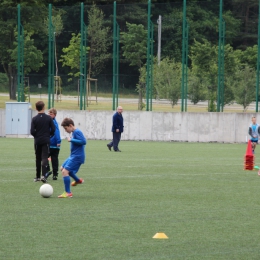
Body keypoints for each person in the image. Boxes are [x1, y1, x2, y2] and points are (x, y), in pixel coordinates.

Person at [58, 118, 87, 198]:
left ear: (70, 125)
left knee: (65, 172)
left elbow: (84, 141)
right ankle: (78, 180)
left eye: (66, 128)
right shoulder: (74, 132)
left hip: (77, 157)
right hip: (73, 156)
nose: (65, 130)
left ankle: (68, 192)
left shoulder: (77, 132)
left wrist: (72, 140)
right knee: (62, 168)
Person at [30, 101, 55, 182]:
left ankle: (37, 177)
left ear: (36, 108)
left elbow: (32, 131)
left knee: (38, 157)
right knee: (45, 157)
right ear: (44, 107)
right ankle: (43, 176)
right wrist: (49, 135)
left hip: (37, 140)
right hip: (46, 140)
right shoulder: (49, 118)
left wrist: (36, 136)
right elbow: (53, 129)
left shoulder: (34, 119)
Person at [45, 108, 61, 181]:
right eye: (49, 114)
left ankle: (50, 171)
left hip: (53, 143)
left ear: (55, 115)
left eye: (51, 114)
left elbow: (57, 132)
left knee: (47, 157)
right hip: (51, 143)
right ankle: (55, 174)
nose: (49, 115)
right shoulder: (51, 122)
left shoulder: (53, 122)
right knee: (53, 159)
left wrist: (58, 141)